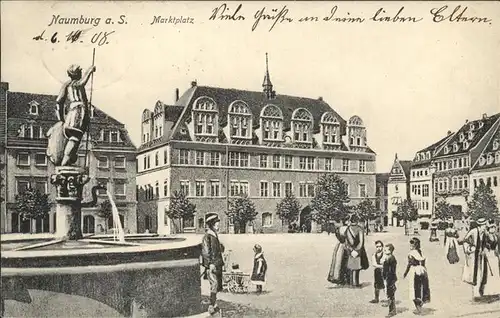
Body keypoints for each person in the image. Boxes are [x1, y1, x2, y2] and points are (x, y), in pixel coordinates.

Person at [48, 64, 96, 167]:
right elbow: (82, 82)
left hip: (70, 115)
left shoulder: (66, 85)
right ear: (77, 74)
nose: (81, 73)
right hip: (78, 113)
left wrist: (61, 119)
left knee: (74, 138)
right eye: (80, 72)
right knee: (75, 137)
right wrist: (90, 71)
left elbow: (59, 102)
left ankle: (68, 160)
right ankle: (65, 162)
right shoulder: (75, 84)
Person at [201, 213, 225, 315]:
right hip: (212, 265)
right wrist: (210, 264)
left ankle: (214, 304)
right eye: (216, 223)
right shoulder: (208, 236)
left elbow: (217, 249)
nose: (218, 225)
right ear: (212, 224)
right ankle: (211, 305)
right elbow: (206, 252)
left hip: (217, 264)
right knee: (214, 284)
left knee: (217, 285)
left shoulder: (214, 235)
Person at [462, 218, 489, 300]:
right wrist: (469, 249)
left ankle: (481, 291)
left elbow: (486, 243)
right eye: (484, 225)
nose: (485, 227)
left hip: (482, 256)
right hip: (474, 256)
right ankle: (475, 293)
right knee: (475, 274)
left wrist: (485, 249)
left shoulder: (484, 233)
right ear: (480, 225)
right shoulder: (473, 231)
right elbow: (465, 240)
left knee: (482, 273)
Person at [403, 237, 431, 314]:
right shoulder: (420, 252)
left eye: (412, 244)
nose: (410, 245)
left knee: (414, 290)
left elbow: (410, 264)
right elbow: (423, 263)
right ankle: (421, 304)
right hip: (423, 271)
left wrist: (405, 273)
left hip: (415, 271)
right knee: (422, 288)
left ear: (414, 245)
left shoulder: (411, 253)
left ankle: (419, 309)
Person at [345, 214, 370, 287]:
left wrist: (351, 250)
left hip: (350, 251)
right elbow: (361, 242)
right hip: (358, 251)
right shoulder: (360, 229)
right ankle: (356, 283)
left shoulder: (348, 229)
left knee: (351, 268)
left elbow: (346, 243)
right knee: (357, 268)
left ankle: (351, 283)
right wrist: (357, 251)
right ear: (357, 220)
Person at [327, 219, 350, 286]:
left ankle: (339, 278)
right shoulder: (348, 229)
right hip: (347, 245)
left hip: (340, 246)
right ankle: (347, 279)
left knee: (339, 263)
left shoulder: (339, 229)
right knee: (347, 263)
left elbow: (338, 237)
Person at [484, 221, 500, 295]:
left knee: (495, 270)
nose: (493, 229)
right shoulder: (487, 236)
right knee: (490, 272)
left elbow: (497, 245)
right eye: (491, 228)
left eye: (493, 227)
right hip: (489, 253)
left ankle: (496, 290)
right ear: (488, 229)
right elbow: (484, 246)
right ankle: (489, 291)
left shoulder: (496, 236)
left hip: (494, 254)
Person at [383, 243, 398, 317]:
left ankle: (392, 311)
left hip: (390, 278)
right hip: (389, 278)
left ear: (390, 250)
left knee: (390, 294)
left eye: (386, 249)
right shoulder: (388, 257)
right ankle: (391, 308)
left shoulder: (391, 258)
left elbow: (390, 270)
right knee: (389, 294)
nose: (384, 250)